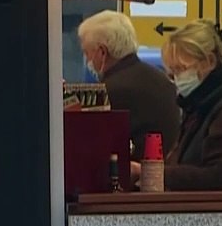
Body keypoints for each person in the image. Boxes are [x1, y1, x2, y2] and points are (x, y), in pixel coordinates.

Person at [132, 20, 222, 191]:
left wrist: (153, 174)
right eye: (172, 74)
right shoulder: (201, 110)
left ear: (209, 62)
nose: (176, 80)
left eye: (181, 69)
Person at [77, 10, 181, 154]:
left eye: (86, 52)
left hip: (134, 173)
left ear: (102, 52)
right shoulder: (162, 79)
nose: (87, 59)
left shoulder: (108, 92)